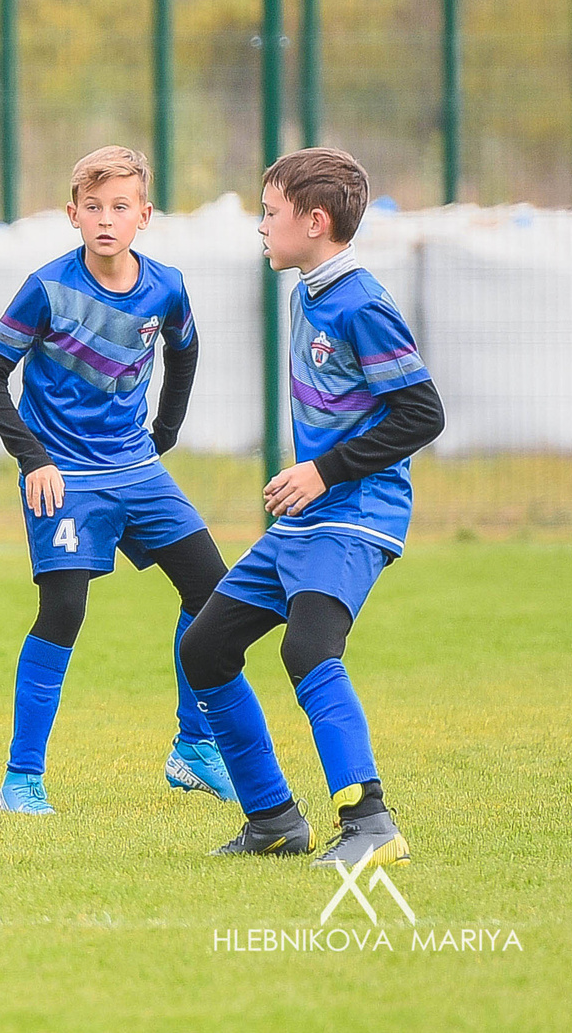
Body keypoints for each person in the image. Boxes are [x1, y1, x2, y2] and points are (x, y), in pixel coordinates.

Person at [182, 147, 444, 868]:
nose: (262, 227)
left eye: (270, 213)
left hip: (360, 514)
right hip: (308, 520)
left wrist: (324, 471)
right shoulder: (307, 292)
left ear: (315, 220)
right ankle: (272, 819)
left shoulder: (362, 302)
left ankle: (370, 823)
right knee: (204, 648)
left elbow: (421, 412)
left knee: (307, 649)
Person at [0, 145, 234, 816]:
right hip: (65, 477)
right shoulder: (48, 287)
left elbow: (186, 349)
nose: (106, 219)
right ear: (72, 214)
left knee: (214, 590)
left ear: (145, 214)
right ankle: (20, 779)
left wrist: (164, 433)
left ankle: (194, 748)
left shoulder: (166, 285)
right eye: (93, 207)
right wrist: (33, 458)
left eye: (120, 206)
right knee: (64, 612)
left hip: (138, 469)